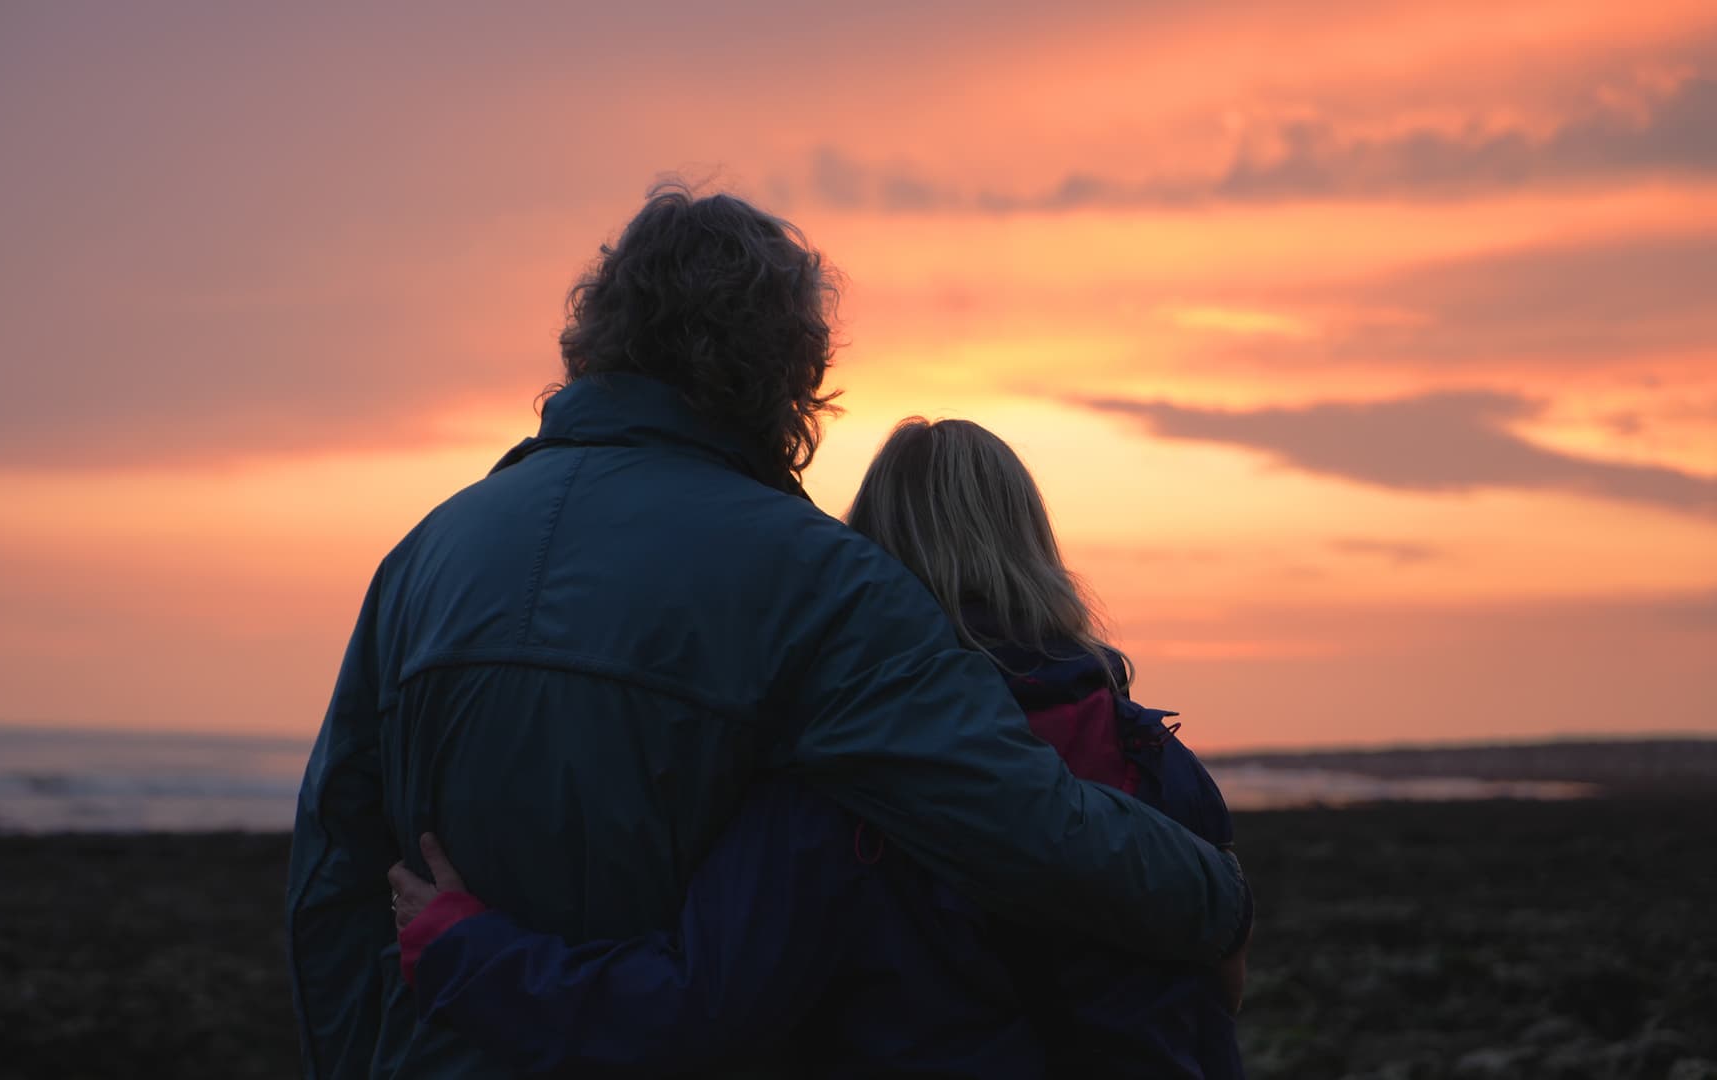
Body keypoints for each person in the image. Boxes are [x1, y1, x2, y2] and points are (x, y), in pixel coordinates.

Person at [287, 183, 1250, 1079]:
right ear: (788, 371)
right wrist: (1218, 897)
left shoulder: (425, 554)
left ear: (597, 337)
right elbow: (1024, 825)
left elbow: (333, 872)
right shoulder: (823, 582)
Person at [386, 418, 1248, 1077]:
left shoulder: (843, 780)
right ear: (1036, 548)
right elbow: (1215, 1004)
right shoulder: (1156, 763)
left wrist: (465, 952)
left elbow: (696, 1011)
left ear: (868, 558)